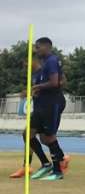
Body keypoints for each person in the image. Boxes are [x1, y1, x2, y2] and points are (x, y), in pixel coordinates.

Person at [9, 48, 68, 180]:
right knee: (28, 134)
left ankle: (58, 165)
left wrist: (39, 88)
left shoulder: (48, 66)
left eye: (26, 63)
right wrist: (29, 92)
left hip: (52, 104)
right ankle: (47, 163)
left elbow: (61, 81)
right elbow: (36, 90)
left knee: (47, 138)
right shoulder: (34, 75)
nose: (25, 66)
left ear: (34, 60)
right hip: (40, 106)